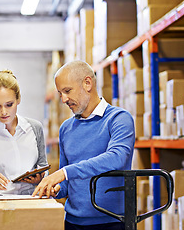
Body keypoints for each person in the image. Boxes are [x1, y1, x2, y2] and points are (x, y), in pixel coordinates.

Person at [32, 60, 135, 230]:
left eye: (67, 91)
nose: (64, 99)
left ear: (88, 83)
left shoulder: (119, 119)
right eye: (60, 94)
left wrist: (64, 173)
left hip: (112, 222)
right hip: (73, 223)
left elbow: (117, 158)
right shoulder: (66, 128)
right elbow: (67, 183)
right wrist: (56, 189)